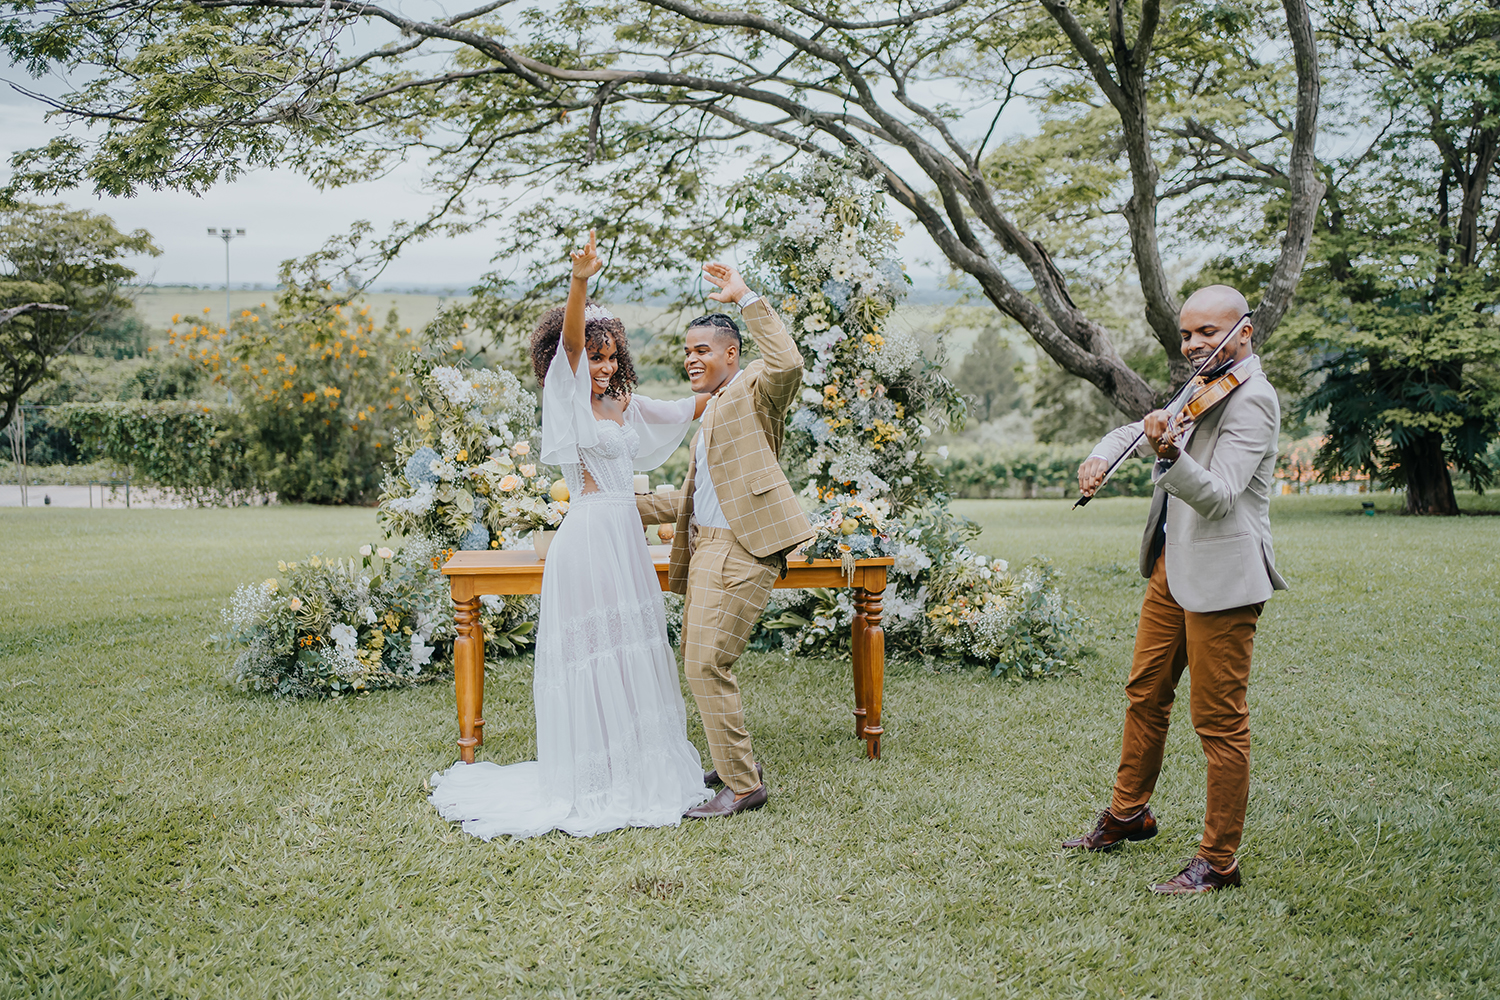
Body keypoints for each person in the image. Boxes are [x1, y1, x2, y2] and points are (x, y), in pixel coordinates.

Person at [428, 230, 713, 839]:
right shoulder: (568, 397)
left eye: (613, 358)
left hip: (624, 542)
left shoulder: (624, 402)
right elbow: (572, 346)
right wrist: (580, 279)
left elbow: (685, 409)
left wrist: (734, 383)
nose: (604, 367)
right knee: (595, 653)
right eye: (595, 355)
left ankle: (637, 765)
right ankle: (594, 777)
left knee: (632, 645)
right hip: (587, 539)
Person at [1063, 284, 1287, 894]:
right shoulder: (1199, 384)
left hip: (1223, 577)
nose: (1193, 345)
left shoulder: (1254, 401)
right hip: (1170, 566)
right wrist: (1100, 456)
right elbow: (1137, 431)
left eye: (1206, 333)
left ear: (1244, 330)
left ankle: (1218, 862)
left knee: (1218, 721)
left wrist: (1169, 456)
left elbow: (1217, 496)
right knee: (1144, 692)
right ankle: (1129, 813)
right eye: (1186, 334)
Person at [635, 262, 816, 819]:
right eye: (686, 351)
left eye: (702, 350)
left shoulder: (755, 390)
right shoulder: (710, 413)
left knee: (706, 663)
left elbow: (788, 360)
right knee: (697, 658)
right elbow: (687, 500)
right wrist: (613, 505)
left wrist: (747, 298)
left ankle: (742, 787)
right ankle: (735, 761)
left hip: (746, 546)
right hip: (708, 545)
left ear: (731, 353)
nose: (691, 358)